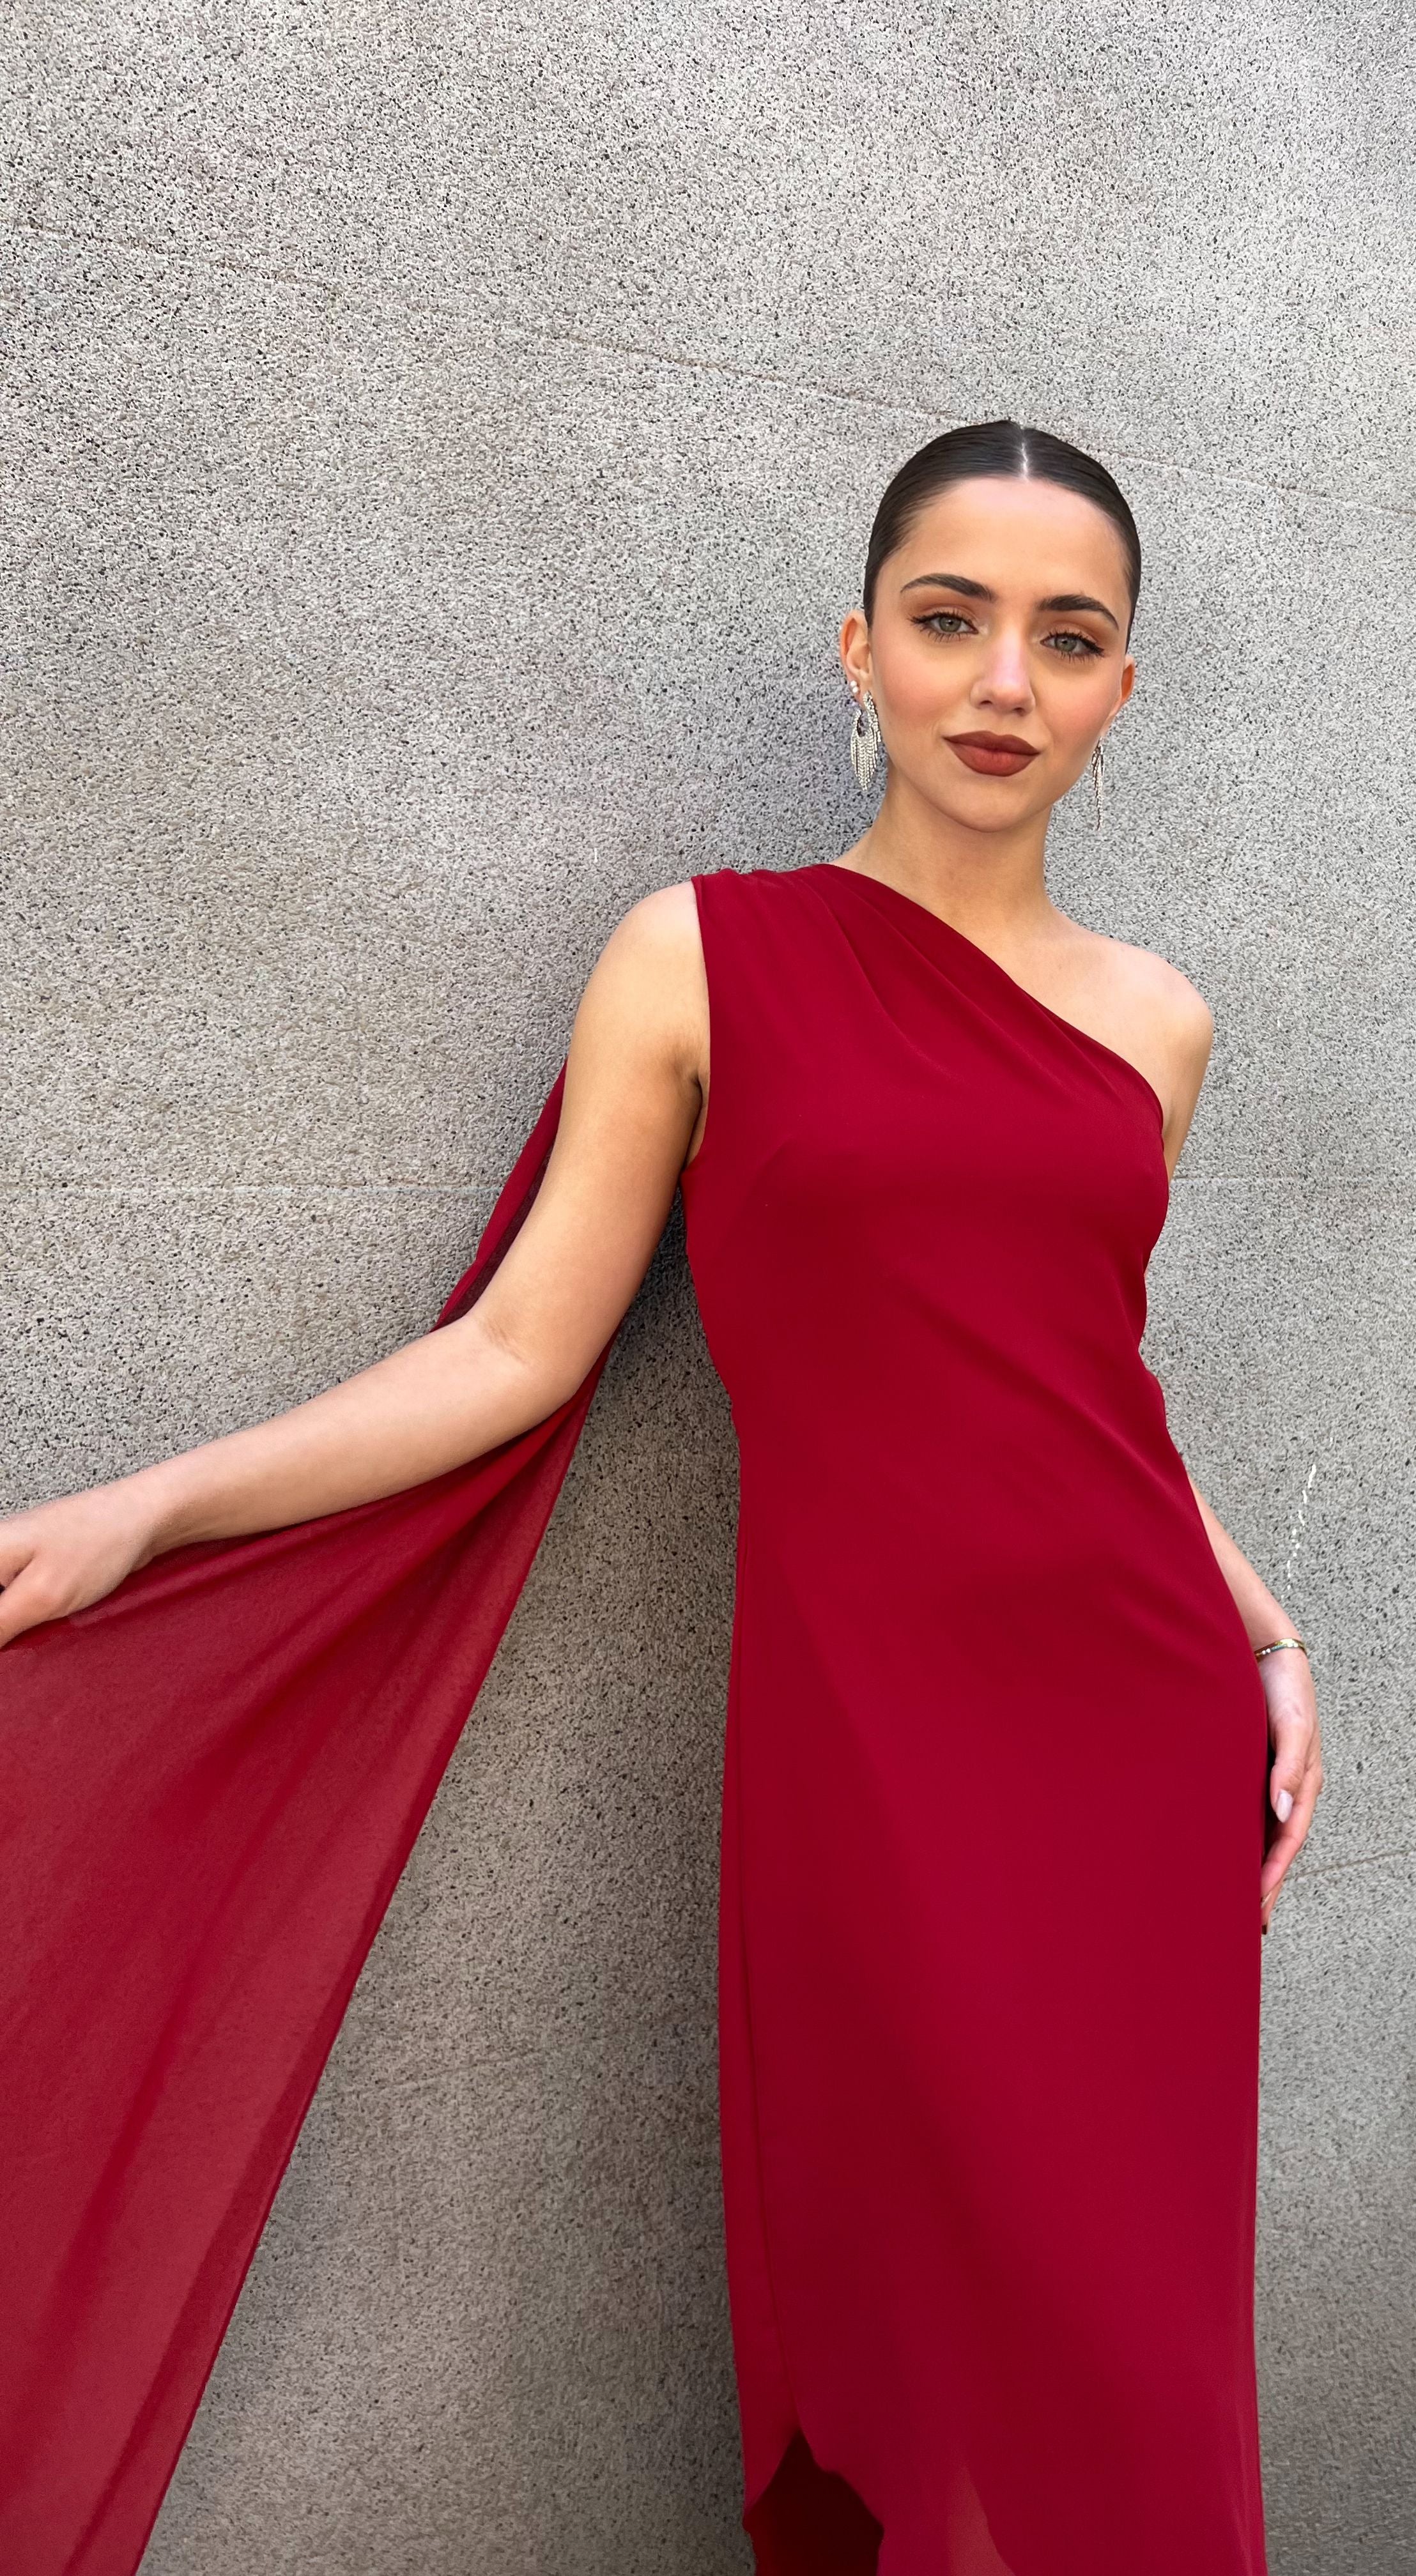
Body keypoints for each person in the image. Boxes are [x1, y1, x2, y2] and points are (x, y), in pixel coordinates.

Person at [0, 418, 1323, 2576]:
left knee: (1127, 2377)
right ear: (861, 648)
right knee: (919, 2342)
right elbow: (518, 1353)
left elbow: (1085, 1384)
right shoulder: (704, 958)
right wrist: (153, 1512)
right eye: (951, 621)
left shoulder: (1158, 1020)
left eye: (1065, 641)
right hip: (872, 1767)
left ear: (1121, 690)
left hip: (1135, 1757)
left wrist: (1268, 1635)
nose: (1003, 682)